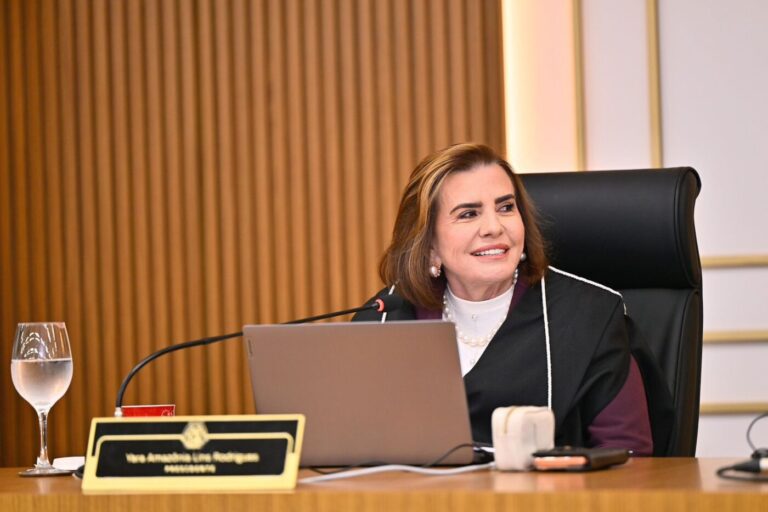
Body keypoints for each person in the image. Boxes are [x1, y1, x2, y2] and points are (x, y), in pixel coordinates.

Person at [354, 143, 662, 456]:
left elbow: (629, 456)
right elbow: (351, 446)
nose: (494, 227)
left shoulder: (588, 317)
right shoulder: (384, 319)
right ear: (429, 242)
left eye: (505, 208)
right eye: (468, 214)